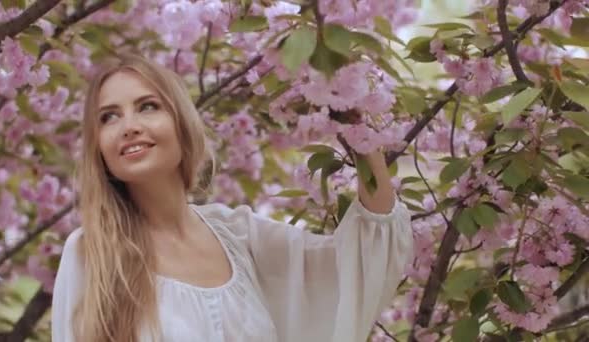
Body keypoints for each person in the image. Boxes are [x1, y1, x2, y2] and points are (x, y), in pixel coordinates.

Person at [50, 53, 413, 342]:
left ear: (181, 122)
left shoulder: (238, 235)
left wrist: (360, 132)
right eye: (108, 117)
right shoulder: (91, 252)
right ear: (98, 147)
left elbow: (361, 257)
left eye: (147, 106)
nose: (128, 126)